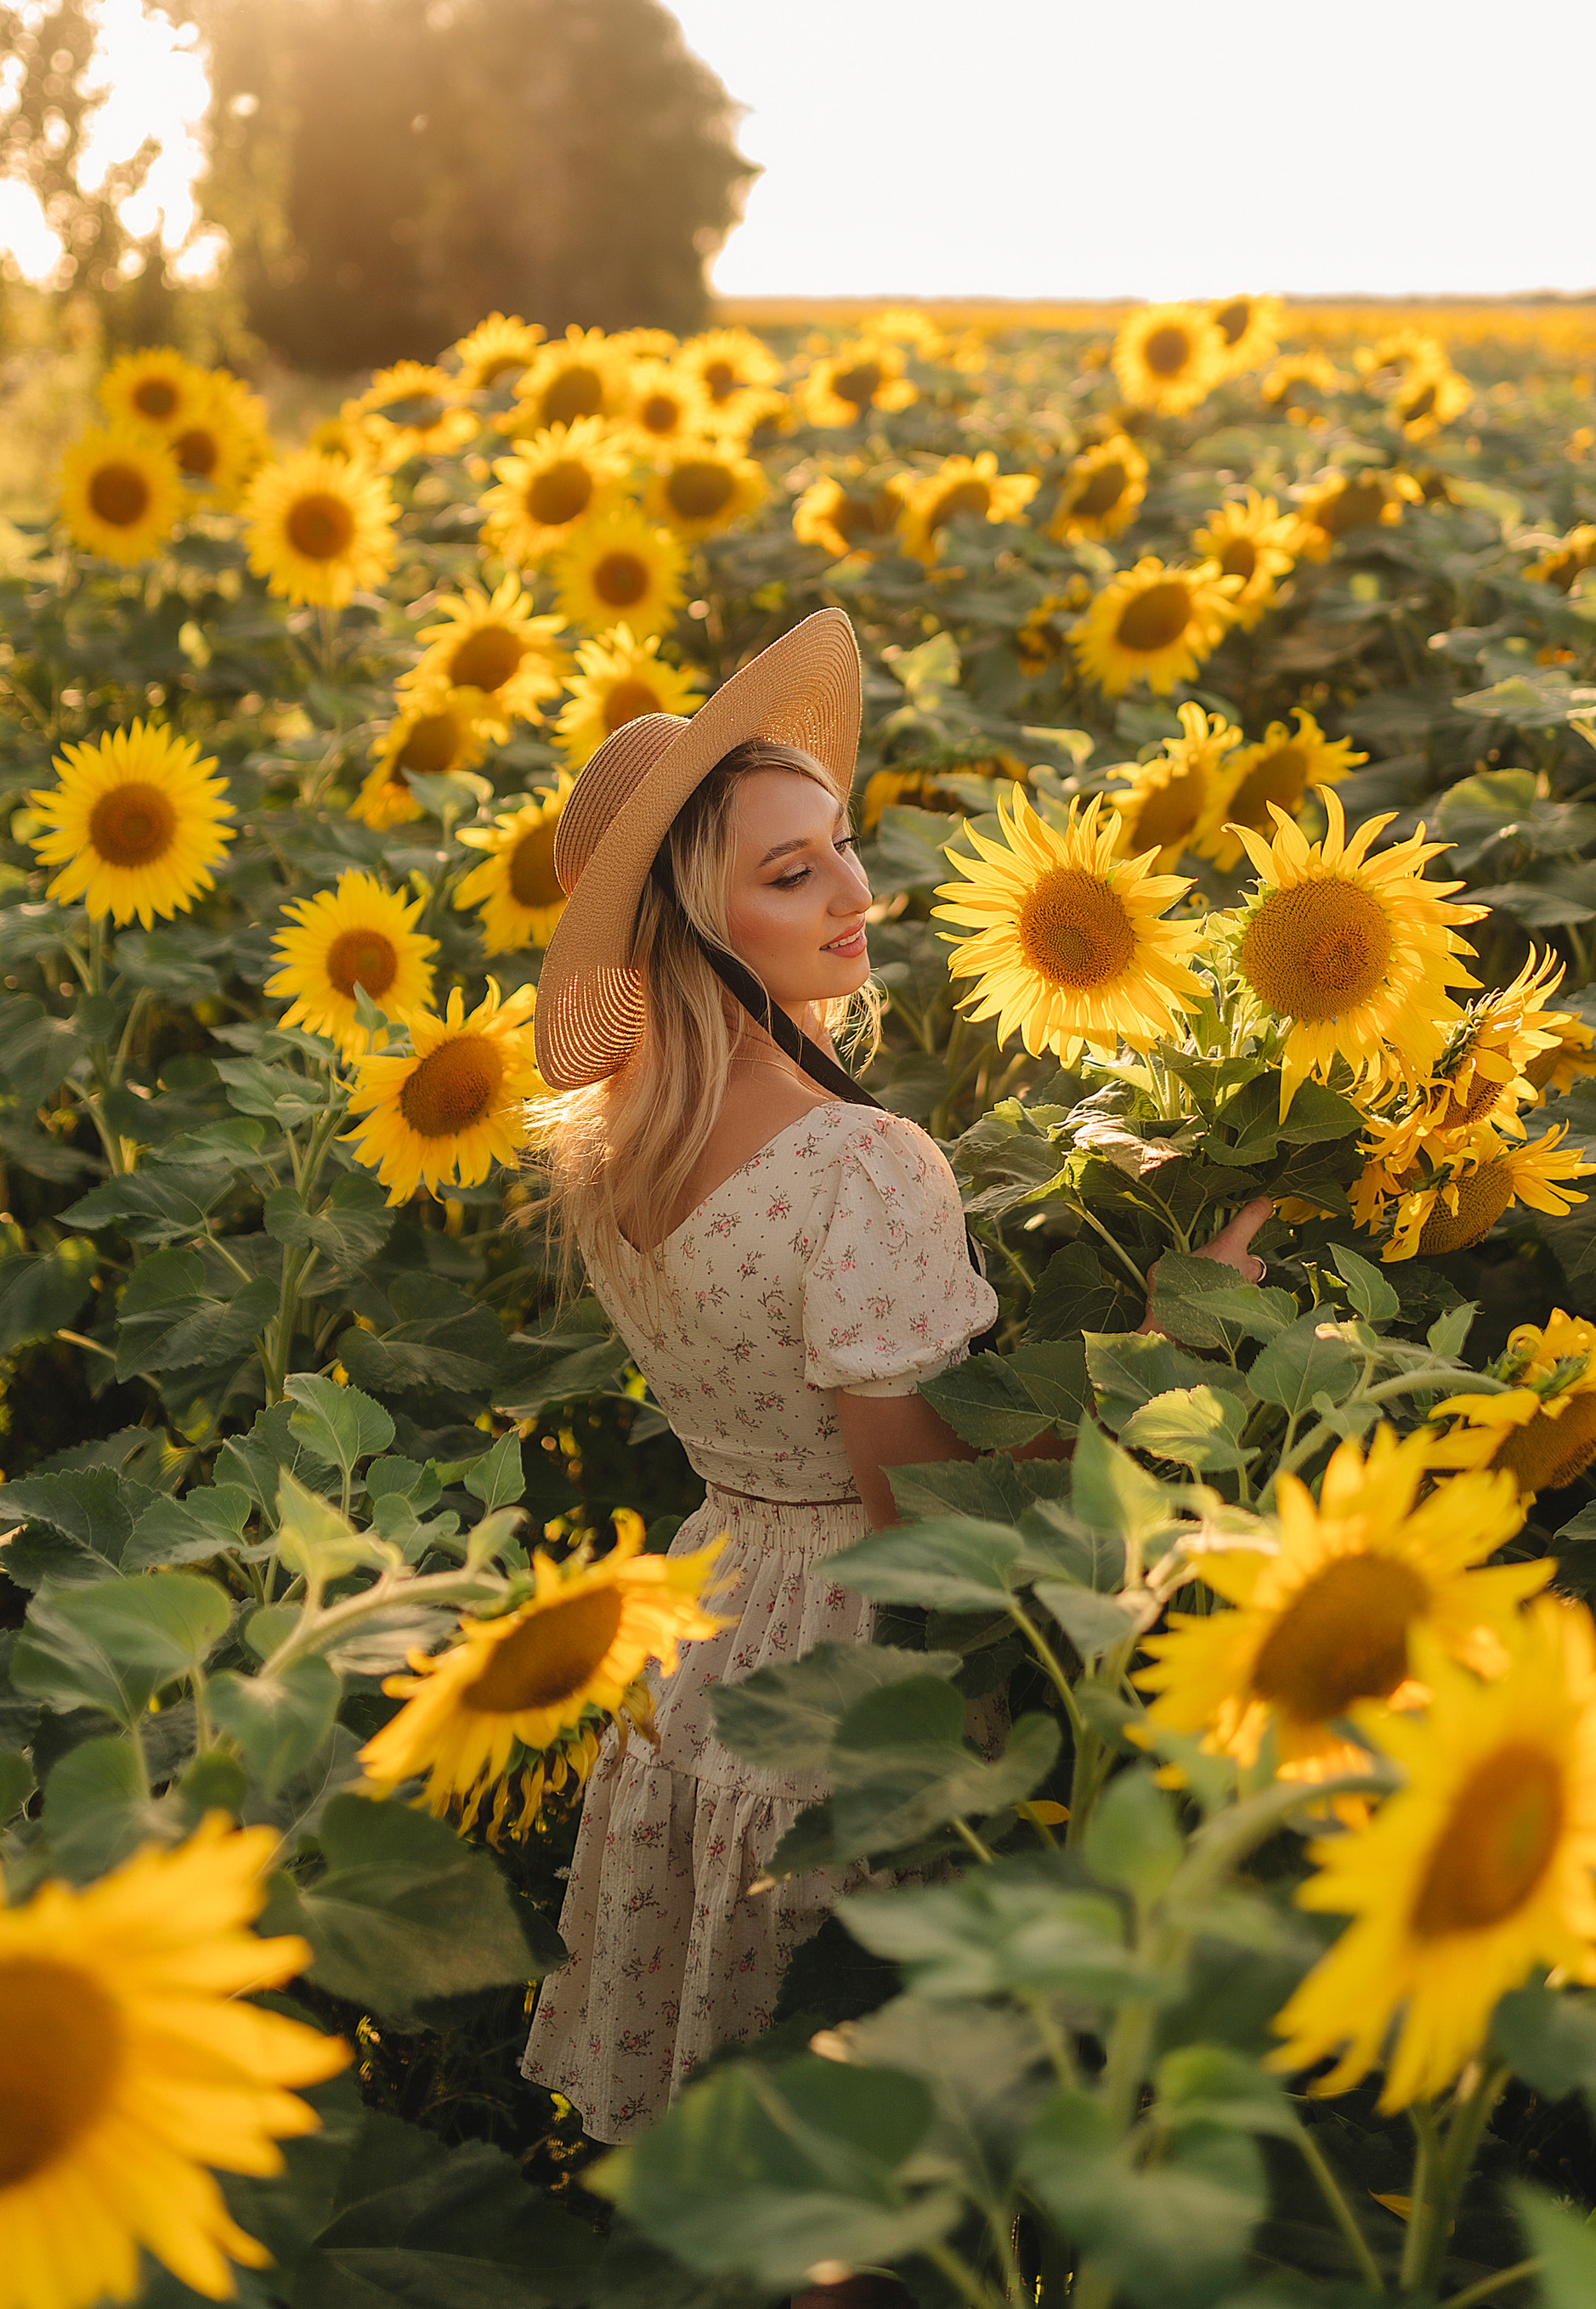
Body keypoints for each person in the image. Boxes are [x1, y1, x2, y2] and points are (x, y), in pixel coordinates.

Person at [519, 610, 1268, 2236]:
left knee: (747, 2146)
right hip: (863, 1682)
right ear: (691, 928)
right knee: (874, 2175)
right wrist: (1169, 1336)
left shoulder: (616, 1154)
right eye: (790, 875)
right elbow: (934, 1519)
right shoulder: (863, 1165)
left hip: (712, 1633)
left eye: (840, 849)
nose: (857, 894)